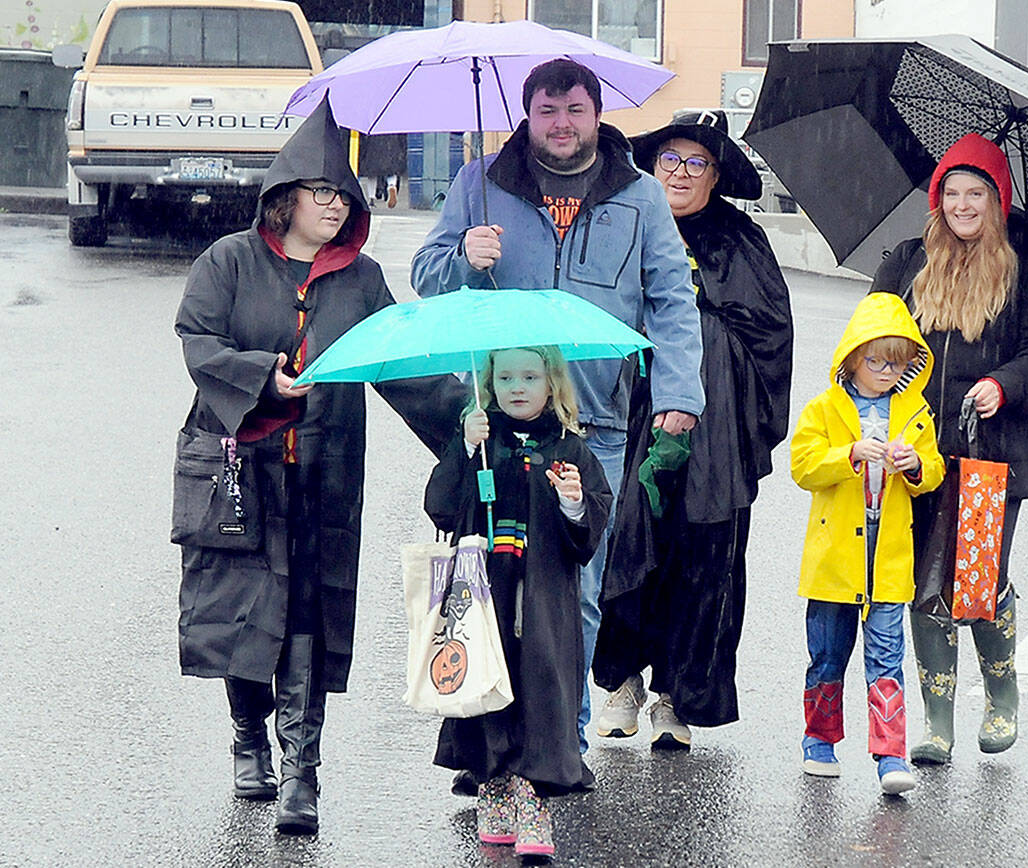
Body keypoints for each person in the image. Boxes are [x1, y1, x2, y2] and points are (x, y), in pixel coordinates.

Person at [173, 101, 464, 835]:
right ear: (286, 196)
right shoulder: (230, 261)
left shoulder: (361, 280)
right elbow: (197, 337)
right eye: (323, 192)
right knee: (246, 609)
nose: (336, 207)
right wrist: (260, 378)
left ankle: (302, 773)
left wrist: (468, 425)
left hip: (323, 474)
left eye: (346, 195)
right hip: (241, 468)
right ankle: (248, 738)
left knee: (309, 615)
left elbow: (402, 365)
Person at [410, 58, 705, 756]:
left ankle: (559, 745)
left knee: (576, 592)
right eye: (548, 111)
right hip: (498, 427)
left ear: (596, 114)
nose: (562, 124)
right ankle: (492, 743)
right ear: (528, 114)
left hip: (594, 425)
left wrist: (679, 394)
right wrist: (464, 256)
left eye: (574, 110)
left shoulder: (639, 195)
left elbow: (669, 299)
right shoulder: (479, 184)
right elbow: (426, 277)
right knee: (494, 585)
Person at [591, 110, 793, 749]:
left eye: (696, 163)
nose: (680, 173)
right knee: (623, 539)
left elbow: (770, 335)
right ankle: (621, 679)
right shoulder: (622, 223)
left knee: (699, 557)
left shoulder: (741, 240)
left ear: (715, 176)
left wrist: (696, 332)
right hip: (626, 410)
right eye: (670, 160)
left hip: (713, 426)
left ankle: (676, 695)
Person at [872, 133, 1028, 763]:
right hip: (918, 454)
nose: (962, 204)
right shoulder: (906, 262)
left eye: (975, 192)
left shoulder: (1027, 272)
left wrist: (1000, 385)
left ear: (996, 200)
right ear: (937, 201)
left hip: (994, 452)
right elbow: (870, 339)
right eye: (951, 192)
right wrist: (885, 383)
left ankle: (1002, 694)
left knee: (979, 579)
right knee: (925, 581)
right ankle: (937, 720)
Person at [424, 346, 612, 860]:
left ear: (551, 383)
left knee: (541, 696)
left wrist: (573, 500)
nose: (517, 387)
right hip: (487, 596)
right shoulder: (481, 443)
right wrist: (464, 451)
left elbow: (589, 530)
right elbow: (440, 506)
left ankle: (533, 800)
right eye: (505, 377)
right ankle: (494, 790)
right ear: (489, 385)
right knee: (487, 690)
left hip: (545, 602)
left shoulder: (571, 449)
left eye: (530, 376)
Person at [789, 292, 944, 794]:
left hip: (889, 556)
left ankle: (889, 755)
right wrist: (850, 453)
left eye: (895, 363)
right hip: (836, 558)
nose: (883, 371)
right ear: (852, 357)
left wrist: (915, 466)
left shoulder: (915, 412)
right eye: (874, 360)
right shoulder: (824, 409)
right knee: (828, 653)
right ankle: (819, 741)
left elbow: (933, 470)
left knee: (886, 654)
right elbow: (803, 466)